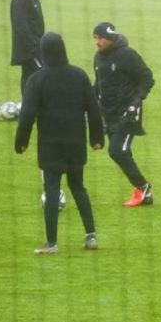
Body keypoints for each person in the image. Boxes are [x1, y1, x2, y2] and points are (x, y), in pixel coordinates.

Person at [16, 32, 104, 254]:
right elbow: (93, 109)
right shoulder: (78, 75)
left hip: (50, 144)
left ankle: (52, 243)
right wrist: (96, 138)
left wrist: (22, 141)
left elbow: (27, 113)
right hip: (75, 141)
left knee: (52, 190)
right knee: (78, 187)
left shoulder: (37, 79)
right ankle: (91, 236)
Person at [92, 22, 156, 207]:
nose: (97, 42)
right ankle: (144, 194)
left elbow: (147, 78)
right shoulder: (98, 58)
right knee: (121, 151)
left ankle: (143, 188)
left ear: (110, 38)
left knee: (116, 150)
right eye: (95, 38)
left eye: (100, 38)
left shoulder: (128, 55)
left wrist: (136, 102)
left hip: (128, 113)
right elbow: (98, 85)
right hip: (108, 113)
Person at [11, 0, 46, 97]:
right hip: (30, 48)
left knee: (29, 75)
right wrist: (33, 45)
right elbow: (21, 26)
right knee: (39, 74)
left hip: (35, 45)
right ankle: (31, 105)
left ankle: (29, 106)